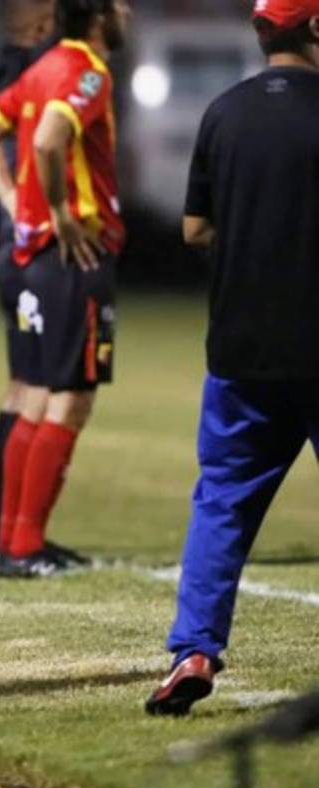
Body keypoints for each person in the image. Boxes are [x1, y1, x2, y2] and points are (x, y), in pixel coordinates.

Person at [145, 1, 319, 717]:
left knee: (221, 502)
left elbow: (193, 229)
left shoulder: (223, 112)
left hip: (241, 349)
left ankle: (194, 649)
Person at [0, 0, 130, 578]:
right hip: (71, 257)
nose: (128, 12)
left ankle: (10, 544)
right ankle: (23, 545)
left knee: (34, 395)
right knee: (68, 398)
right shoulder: (86, 69)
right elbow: (48, 140)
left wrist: (17, 204)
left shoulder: (42, 67)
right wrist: (57, 210)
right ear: (98, 14)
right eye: (120, 5)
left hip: (34, 258)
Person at [0, 0, 64, 572]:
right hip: (33, 250)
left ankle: (11, 536)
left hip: (21, 249)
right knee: (42, 390)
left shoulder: (26, 65)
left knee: (25, 387)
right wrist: (24, 206)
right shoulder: (38, 71)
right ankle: (11, 539)